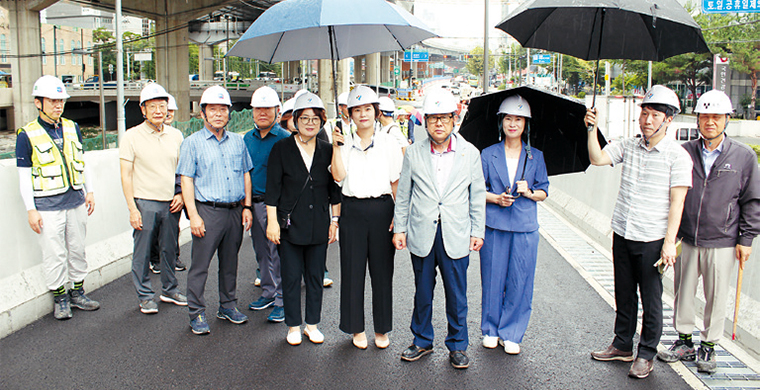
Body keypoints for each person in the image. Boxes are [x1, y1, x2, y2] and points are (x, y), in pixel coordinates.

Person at [587, 85, 693, 379]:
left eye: (654, 115)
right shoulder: (628, 146)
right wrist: (592, 129)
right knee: (624, 292)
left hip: (653, 238)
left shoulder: (677, 156)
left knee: (651, 297)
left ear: (668, 120)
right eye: (644, 113)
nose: (647, 119)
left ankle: (646, 353)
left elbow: (678, 201)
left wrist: (669, 243)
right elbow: (597, 159)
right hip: (623, 230)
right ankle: (622, 345)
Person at [657, 90, 760, 373]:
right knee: (683, 291)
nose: (710, 122)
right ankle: (685, 341)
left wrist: (747, 239)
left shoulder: (744, 156)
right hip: (687, 238)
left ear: (727, 119)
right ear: (697, 119)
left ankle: (709, 346)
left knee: (716, 296)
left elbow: (752, 200)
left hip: (723, 241)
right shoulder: (684, 152)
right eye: (704, 116)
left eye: (716, 117)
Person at [392, 88, 486, 369]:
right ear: (426, 121)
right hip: (422, 232)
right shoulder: (413, 153)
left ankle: (457, 345)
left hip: (455, 234)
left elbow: (477, 195)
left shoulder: (470, 153)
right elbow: (404, 194)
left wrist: (477, 231)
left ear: (454, 119)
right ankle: (421, 340)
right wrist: (400, 228)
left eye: (445, 118)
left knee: (457, 294)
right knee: (422, 291)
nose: (439, 124)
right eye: (433, 118)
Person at [16, 75, 100, 320]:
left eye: (60, 100)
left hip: (76, 201)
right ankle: (60, 298)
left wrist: (90, 190)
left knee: (77, 249)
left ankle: (78, 293)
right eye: (52, 100)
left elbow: (82, 162)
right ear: (38, 102)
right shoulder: (26, 135)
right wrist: (30, 209)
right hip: (47, 207)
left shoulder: (73, 128)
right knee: (54, 253)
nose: (57, 105)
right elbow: (24, 177)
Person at [176, 85, 253, 335]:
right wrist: (194, 215)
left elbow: (245, 175)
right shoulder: (192, 143)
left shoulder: (238, 142)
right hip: (207, 211)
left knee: (230, 262)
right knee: (200, 265)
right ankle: (196, 312)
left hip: (234, 211)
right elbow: (186, 179)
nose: (218, 114)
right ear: (203, 113)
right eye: (213, 109)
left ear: (229, 113)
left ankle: (227, 306)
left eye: (223, 109)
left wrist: (247, 207)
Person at [265, 92, 341, 346]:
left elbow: (335, 189)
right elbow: (272, 189)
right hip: (289, 225)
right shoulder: (281, 148)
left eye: (316, 119)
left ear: (322, 122)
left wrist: (334, 221)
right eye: (305, 118)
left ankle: (312, 324)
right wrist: (272, 222)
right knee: (291, 276)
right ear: (295, 120)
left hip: (319, 223)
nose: (310, 123)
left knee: (315, 277)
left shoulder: (328, 149)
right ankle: (293, 326)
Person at [331, 86, 403, 350]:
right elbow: (338, 177)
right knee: (352, 271)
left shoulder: (389, 142)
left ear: (376, 112)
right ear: (349, 114)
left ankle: (382, 328)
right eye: (357, 110)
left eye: (367, 109)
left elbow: (396, 182)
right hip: (352, 211)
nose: (362, 114)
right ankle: (355, 328)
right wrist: (336, 147)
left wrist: (399, 218)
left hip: (383, 210)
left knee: (382, 272)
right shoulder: (344, 142)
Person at [479, 95, 549, 355]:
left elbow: (544, 191)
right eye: (508, 118)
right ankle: (490, 329)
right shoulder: (488, 154)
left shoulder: (536, 157)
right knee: (492, 278)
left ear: (525, 124)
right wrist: (496, 198)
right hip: (495, 225)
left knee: (520, 280)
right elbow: (476, 189)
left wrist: (529, 192)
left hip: (524, 227)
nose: (512, 123)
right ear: (501, 122)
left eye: (518, 119)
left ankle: (512, 332)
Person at [120, 83, 187, 314]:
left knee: (169, 249)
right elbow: (126, 175)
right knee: (143, 251)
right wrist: (132, 208)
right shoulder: (131, 136)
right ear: (143, 109)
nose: (159, 111)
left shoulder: (176, 135)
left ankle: (170, 290)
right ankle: (145, 295)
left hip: (171, 202)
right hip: (145, 202)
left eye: (162, 106)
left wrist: (181, 194)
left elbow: (183, 170)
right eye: (153, 106)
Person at [243, 86, 290, 323]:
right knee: (261, 252)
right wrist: (246, 206)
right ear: (252, 112)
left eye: (267, 109)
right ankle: (269, 293)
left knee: (278, 253)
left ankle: (283, 300)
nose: (262, 113)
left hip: (277, 208)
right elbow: (245, 174)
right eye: (258, 109)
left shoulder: (285, 139)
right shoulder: (246, 139)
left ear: (277, 111)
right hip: (254, 204)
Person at [148, 94, 187, 276]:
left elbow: (182, 166)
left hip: (173, 192)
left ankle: (173, 258)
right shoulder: (146, 135)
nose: (168, 113)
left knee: (173, 228)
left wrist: (180, 192)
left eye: (171, 110)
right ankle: (155, 260)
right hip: (152, 194)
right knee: (155, 230)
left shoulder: (176, 136)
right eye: (167, 110)